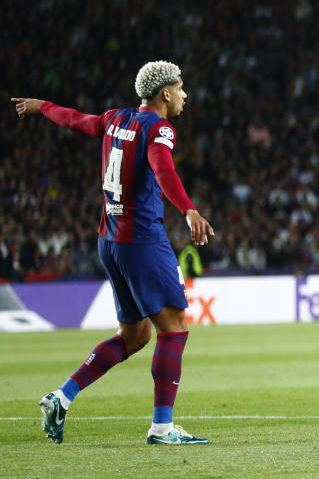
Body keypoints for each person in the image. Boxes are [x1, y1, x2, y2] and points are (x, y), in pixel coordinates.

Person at [12, 61, 215, 445]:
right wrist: (188, 209)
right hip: (142, 240)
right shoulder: (160, 128)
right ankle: (162, 427)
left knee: (135, 335)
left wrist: (44, 107)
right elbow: (163, 170)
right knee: (173, 331)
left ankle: (62, 396)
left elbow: (75, 120)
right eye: (181, 88)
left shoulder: (114, 119)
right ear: (165, 93)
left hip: (110, 241)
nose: (185, 95)